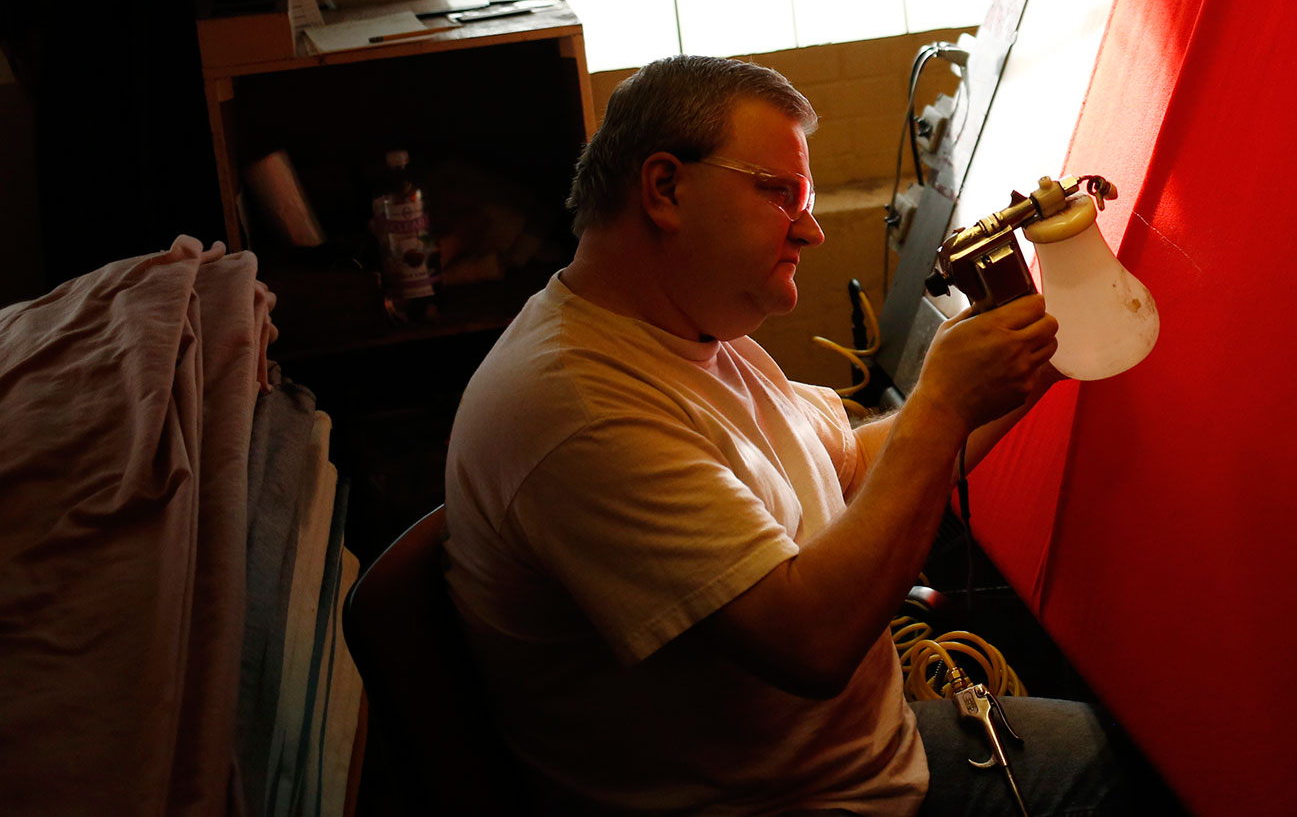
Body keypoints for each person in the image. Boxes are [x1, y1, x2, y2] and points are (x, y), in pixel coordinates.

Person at [444, 56, 1140, 815]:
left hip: (865, 756)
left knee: (1121, 742)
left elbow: (852, 470)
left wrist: (1045, 351)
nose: (810, 229)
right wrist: (942, 403)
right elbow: (813, 643)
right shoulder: (579, 407)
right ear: (665, 188)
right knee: (1152, 771)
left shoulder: (698, 335)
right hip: (805, 801)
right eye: (782, 195)